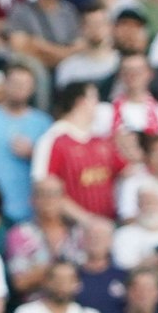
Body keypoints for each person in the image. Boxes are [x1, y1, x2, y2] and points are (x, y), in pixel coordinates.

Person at [32, 82, 122, 223]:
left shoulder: (101, 138)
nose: (98, 106)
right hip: (72, 228)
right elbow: (43, 187)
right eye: (95, 99)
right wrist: (86, 220)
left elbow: (126, 171)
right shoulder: (53, 139)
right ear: (81, 102)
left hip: (108, 226)